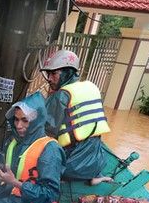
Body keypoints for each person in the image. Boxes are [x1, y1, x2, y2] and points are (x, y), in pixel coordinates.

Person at [41, 49, 112, 183]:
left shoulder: (62, 95)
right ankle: (95, 177)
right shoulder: (91, 87)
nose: (49, 78)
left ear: (67, 72)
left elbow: (45, 131)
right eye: (48, 73)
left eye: (53, 73)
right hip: (97, 160)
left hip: (71, 165)